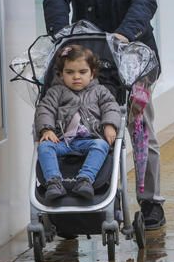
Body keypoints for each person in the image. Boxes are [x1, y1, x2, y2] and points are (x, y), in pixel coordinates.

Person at [43, 0, 166, 230]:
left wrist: (122, 35)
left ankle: (151, 200)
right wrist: (60, 34)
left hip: (134, 57)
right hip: (83, 56)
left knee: (139, 123)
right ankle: (69, 196)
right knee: (73, 122)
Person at [34, 45, 121, 202]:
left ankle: (85, 179)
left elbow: (111, 107)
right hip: (62, 141)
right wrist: (46, 129)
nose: (76, 77)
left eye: (82, 72)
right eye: (69, 72)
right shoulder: (55, 92)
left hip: (89, 139)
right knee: (44, 147)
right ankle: (54, 182)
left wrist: (109, 125)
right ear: (61, 75)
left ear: (92, 73)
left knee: (101, 145)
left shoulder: (100, 91)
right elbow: (45, 110)